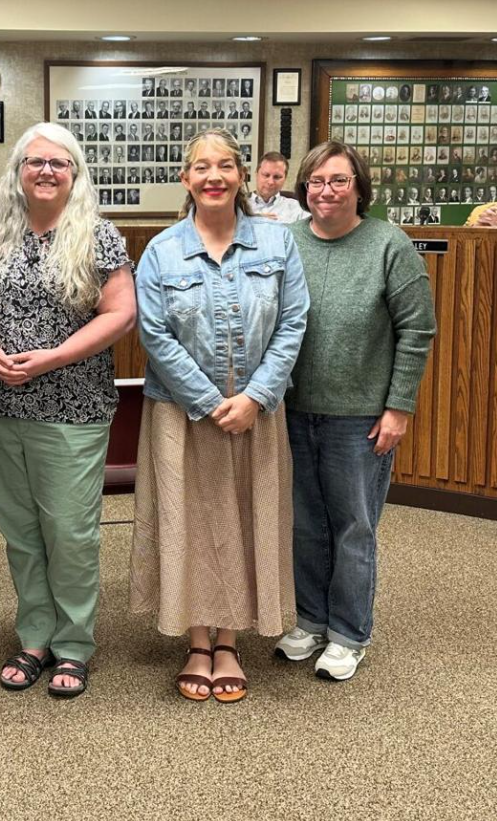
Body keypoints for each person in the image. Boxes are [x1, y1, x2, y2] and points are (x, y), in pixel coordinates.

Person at [0, 122, 135, 699]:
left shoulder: (98, 236)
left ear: (75, 174)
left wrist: (52, 358)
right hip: (0, 404)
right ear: (18, 171)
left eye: (59, 163)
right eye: (35, 162)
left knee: (70, 530)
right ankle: (34, 635)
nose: (46, 171)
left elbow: (119, 315)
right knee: (21, 528)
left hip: (72, 405)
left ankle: (75, 643)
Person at [131, 128, 308, 703]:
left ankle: (229, 639)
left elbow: (293, 323)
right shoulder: (161, 250)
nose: (214, 176)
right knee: (188, 520)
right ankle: (197, 639)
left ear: (241, 176)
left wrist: (255, 396)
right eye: (201, 167)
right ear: (186, 180)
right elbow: (153, 335)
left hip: (257, 408)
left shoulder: (278, 245)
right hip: (182, 412)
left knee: (246, 516)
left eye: (226, 166)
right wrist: (208, 402)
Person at [275, 140, 436, 681]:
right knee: (306, 524)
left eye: (339, 180)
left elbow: (417, 331)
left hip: (360, 417)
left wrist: (399, 408)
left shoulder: (390, 244)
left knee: (353, 527)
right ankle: (310, 620)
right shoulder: (285, 241)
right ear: (304, 189)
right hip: (293, 411)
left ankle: (348, 633)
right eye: (317, 181)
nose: (327, 191)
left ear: (360, 188)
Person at [249, 151, 308, 223]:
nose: (270, 182)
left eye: (277, 177)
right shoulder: (238, 206)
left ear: (285, 179)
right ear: (256, 174)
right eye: (266, 175)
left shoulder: (297, 209)